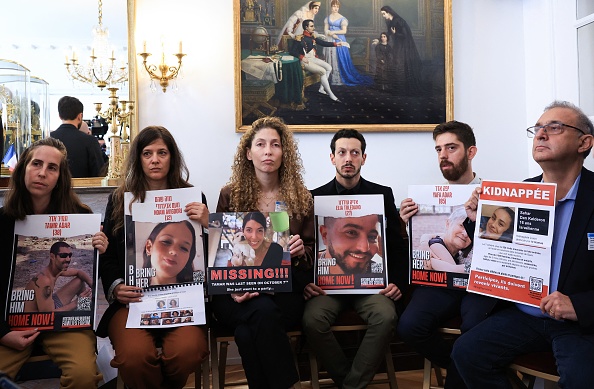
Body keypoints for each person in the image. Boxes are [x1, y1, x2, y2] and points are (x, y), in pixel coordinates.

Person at [452, 101, 594, 388]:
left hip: (577, 324)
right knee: (467, 353)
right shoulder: (519, 194)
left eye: (554, 128)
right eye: (538, 129)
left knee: (581, 379)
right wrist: (474, 220)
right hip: (524, 314)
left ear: (584, 142)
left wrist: (579, 305)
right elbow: (495, 256)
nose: (541, 135)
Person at [97, 125, 209, 389]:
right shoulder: (120, 199)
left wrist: (209, 223)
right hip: (131, 303)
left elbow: (214, 252)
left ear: (172, 157)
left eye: (162, 152)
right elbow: (109, 256)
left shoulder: (194, 198)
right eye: (147, 153)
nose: (155, 160)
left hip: (184, 302)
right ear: (139, 158)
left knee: (187, 351)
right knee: (134, 357)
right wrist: (116, 287)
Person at [212, 116, 314, 389]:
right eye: (260, 144)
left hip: (284, 290)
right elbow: (219, 254)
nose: (268, 151)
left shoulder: (300, 197)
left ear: (284, 153)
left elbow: (315, 253)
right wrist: (234, 289)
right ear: (248, 153)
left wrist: (302, 251)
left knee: (249, 331)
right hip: (234, 291)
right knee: (261, 313)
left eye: (275, 145)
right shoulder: (229, 195)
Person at [302, 129, 408, 389]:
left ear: (363, 158)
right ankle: (351, 381)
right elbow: (306, 246)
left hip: (371, 285)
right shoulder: (313, 197)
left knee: (385, 317)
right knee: (312, 320)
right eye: (342, 152)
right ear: (332, 158)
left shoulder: (383, 194)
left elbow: (396, 244)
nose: (348, 158)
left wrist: (397, 282)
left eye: (354, 153)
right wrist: (307, 281)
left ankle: (350, 386)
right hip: (329, 286)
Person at [0, 137, 107, 388]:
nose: (42, 173)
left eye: (52, 168)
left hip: (65, 328)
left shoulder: (81, 217)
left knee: (83, 375)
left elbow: (91, 277)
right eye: (36, 164)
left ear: (60, 177)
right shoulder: (3, 222)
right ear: (23, 168)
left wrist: (99, 253)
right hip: (11, 325)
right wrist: (3, 333)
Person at [397, 120, 496, 389]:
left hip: (479, 285)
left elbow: (505, 251)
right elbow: (419, 253)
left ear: (471, 152)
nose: (443, 155)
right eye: (439, 149)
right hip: (442, 282)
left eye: (451, 147)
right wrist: (405, 226)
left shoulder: (495, 196)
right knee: (409, 325)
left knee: (476, 326)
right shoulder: (427, 199)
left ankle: (459, 379)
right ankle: (459, 366)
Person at [23, 241, 94, 312]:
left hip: (49, 305)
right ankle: (83, 312)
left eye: (70, 255)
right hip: (39, 319)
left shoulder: (57, 269)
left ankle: (84, 312)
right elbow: (48, 315)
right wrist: (76, 302)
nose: (68, 259)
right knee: (79, 301)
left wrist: (93, 286)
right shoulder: (44, 280)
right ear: (52, 256)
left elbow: (79, 272)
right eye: (63, 255)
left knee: (79, 281)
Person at [50, 96, 105, 178]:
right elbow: (99, 173)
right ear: (80, 116)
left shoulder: (49, 139)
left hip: (54, 190)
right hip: (84, 190)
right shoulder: (90, 141)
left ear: (60, 116)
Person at [290, 19, 344, 102]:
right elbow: (292, 51)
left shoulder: (312, 36)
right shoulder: (299, 38)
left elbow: (323, 43)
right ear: (306, 27)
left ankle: (321, 89)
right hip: (305, 60)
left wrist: (336, 44)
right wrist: (301, 57)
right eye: (311, 26)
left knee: (329, 67)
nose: (313, 28)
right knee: (323, 71)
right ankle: (331, 94)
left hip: (313, 58)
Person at [322, 0, 372, 86]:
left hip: (339, 39)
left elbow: (344, 31)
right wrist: (329, 33)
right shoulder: (328, 18)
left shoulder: (342, 18)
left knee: (339, 58)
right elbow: (325, 29)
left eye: (337, 7)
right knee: (330, 57)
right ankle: (331, 77)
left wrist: (334, 33)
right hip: (329, 39)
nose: (336, 8)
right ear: (331, 7)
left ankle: (339, 78)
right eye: (334, 6)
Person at [377, 5, 423, 95]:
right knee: (397, 64)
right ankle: (398, 87)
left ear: (388, 12)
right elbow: (389, 33)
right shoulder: (389, 21)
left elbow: (405, 36)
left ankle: (404, 89)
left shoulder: (398, 20)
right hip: (398, 45)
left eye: (383, 14)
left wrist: (396, 33)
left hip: (404, 46)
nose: (383, 16)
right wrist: (379, 40)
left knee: (401, 65)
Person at [317, 214, 384, 275]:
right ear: (325, 235)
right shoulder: (310, 270)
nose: (364, 248)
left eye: (372, 237)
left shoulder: (381, 274)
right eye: (351, 233)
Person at [418, 206, 473, 273]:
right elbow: (455, 276)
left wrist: (424, 242)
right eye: (461, 226)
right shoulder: (436, 246)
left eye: (470, 230)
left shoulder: (455, 252)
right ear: (448, 223)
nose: (465, 234)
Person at [142, 220, 197, 285]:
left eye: (184, 248)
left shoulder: (201, 285)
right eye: (166, 242)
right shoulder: (133, 288)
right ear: (149, 247)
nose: (174, 251)